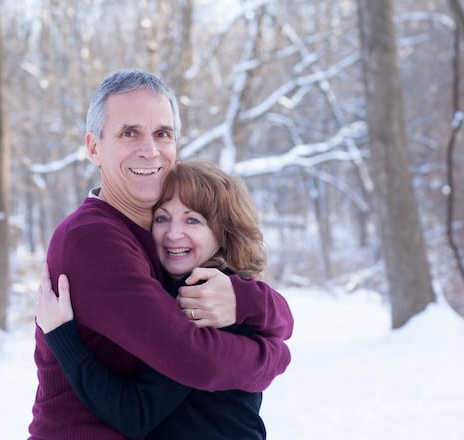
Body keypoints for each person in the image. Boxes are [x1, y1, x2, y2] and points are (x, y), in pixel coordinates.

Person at [28, 69, 292, 439]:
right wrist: (274, 356)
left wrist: (245, 298)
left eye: (162, 134)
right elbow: (192, 358)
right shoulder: (92, 239)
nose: (149, 150)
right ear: (93, 148)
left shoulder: (158, 239)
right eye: (129, 133)